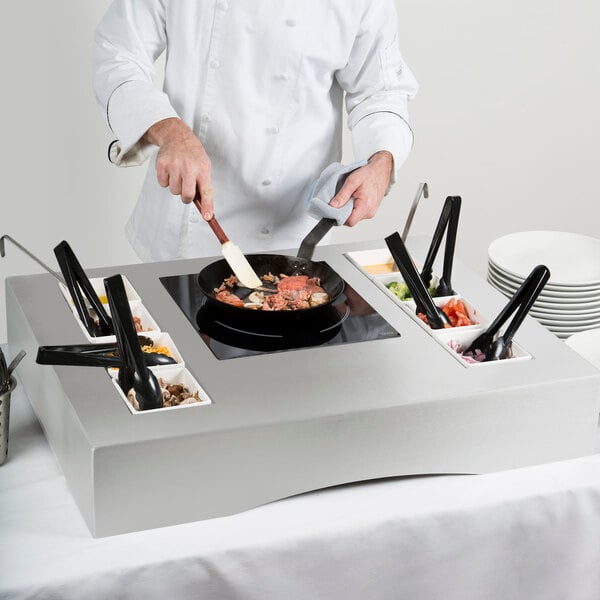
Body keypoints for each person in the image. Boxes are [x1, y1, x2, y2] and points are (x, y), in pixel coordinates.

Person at [93, 0, 418, 262]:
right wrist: (167, 130)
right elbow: (118, 52)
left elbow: (380, 90)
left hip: (291, 235)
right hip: (182, 229)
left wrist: (381, 161)